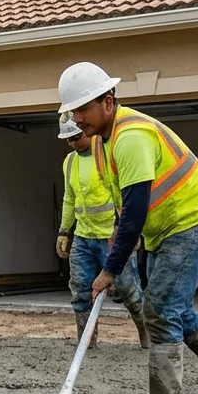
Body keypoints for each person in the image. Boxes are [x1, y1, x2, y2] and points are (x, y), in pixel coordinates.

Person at [57, 61, 198, 394]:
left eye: (82, 109)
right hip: (168, 230)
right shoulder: (103, 141)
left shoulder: (130, 137)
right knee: (174, 309)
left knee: (160, 310)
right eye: (73, 111)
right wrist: (115, 244)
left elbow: (137, 208)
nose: (77, 119)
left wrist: (109, 269)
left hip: (193, 223)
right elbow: (125, 203)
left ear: (108, 101)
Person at [57, 117, 149, 349]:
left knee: (129, 291)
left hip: (112, 237)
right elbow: (70, 198)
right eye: (68, 140)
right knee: (80, 290)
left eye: (76, 137)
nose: (73, 144)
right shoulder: (69, 163)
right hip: (84, 236)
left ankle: (147, 338)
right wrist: (64, 230)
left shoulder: (109, 156)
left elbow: (125, 197)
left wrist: (127, 232)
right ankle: (87, 343)